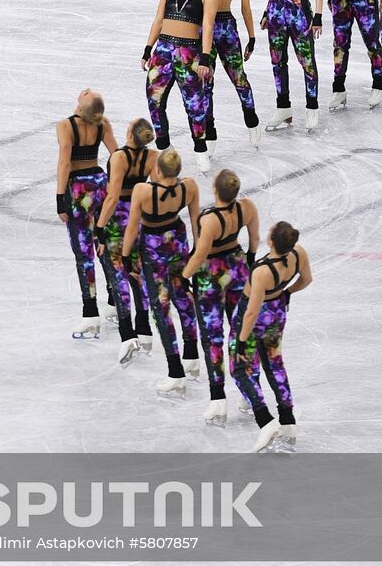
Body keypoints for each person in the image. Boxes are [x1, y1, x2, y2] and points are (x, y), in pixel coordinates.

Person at [182, 169, 259, 426]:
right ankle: (249, 392)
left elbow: (201, 253)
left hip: (211, 277)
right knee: (242, 333)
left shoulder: (209, 219)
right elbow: (255, 238)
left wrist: (184, 276)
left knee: (213, 336)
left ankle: (218, 400)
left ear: (215, 190)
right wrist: (248, 260)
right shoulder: (246, 207)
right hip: (238, 269)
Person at [121, 150, 202, 395]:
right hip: (178, 241)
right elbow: (196, 220)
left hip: (153, 247)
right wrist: (196, 253)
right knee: (183, 296)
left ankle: (175, 371)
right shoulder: (189, 186)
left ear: (157, 170)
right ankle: (192, 355)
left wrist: (126, 257)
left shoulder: (143, 191)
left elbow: (133, 227)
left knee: (160, 306)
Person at [229, 221, 313, 452]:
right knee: (274, 364)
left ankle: (265, 420)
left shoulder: (262, 270)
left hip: (255, 315)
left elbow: (252, 311)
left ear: (271, 241)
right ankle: (288, 421)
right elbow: (306, 280)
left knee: (238, 368)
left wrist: (242, 341)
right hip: (277, 311)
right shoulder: (299, 253)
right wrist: (285, 293)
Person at [142, 0, 217, 173]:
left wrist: (205, 58)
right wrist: (147, 50)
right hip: (163, 50)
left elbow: (209, 27)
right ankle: (164, 146)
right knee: (154, 100)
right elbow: (158, 21)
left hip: (189, 53)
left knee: (194, 105)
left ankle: (200, 149)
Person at [56, 89, 117, 338]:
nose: (86, 91)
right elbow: (118, 155)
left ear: (81, 107)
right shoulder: (103, 124)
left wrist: (61, 198)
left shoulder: (65, 126)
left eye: (88, 94)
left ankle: (90, 312)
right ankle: (114, 300)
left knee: (84, 254)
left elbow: (64, 162)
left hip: (78, 190)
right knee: (103, 243)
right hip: (100, 184)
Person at [96, 119, 157, 364]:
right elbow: (157, 189)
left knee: (118, 274)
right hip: (140, 216)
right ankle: (144, 329)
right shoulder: (152, 156)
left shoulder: (119, 157)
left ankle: (127, 334)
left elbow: (112, 198)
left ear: (130, 133)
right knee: (138, 271)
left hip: (118, 218)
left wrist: (99, 227)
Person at [262, 0, 326, 132]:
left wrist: (318, 15)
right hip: (275, 6)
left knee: (306, 60)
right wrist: (266, 10)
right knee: (277, 59)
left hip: (297, 7)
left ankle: (312, 107)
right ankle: (283, 107)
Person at [202, 0, 261, 149]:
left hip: (226, 27)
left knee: (239, 78)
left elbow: (246, 6)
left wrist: (252, 36)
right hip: (205, 29)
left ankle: (252, 121)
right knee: (205, 81)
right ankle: (210, 132)